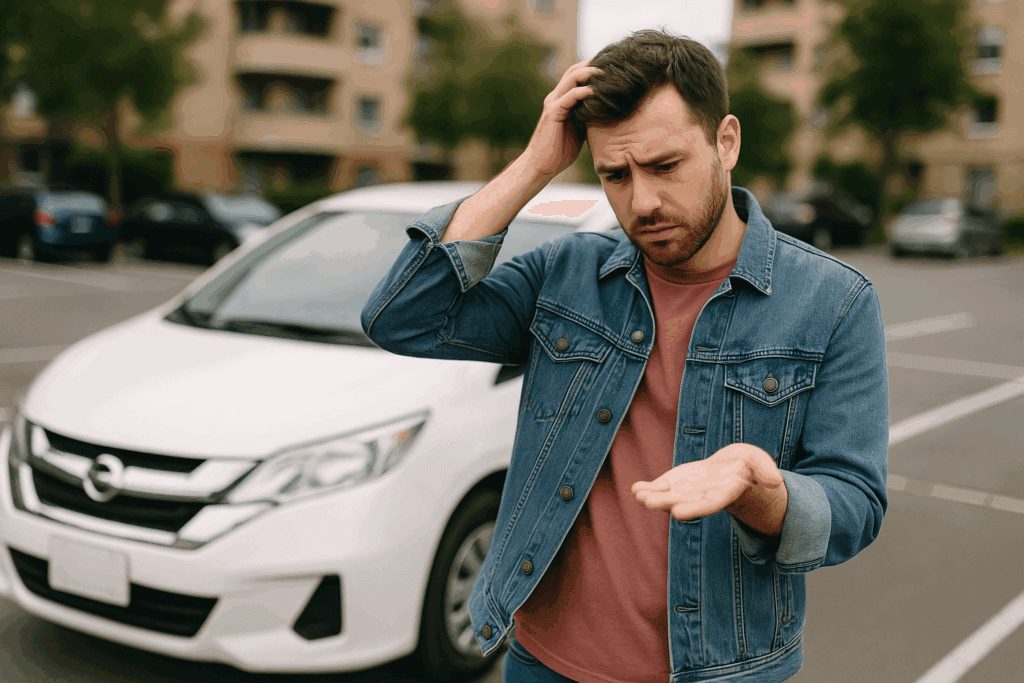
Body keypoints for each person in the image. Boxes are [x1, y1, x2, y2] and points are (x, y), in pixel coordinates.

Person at [362, 30, 888, 683]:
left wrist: (762, 493)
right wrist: (534, 165)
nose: (641, 202)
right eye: (615, 174)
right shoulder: (566, 273)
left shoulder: (834, 301)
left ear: (726, 141)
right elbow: (403, 315)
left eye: (665, 165)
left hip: (721, 670)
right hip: (542, 663)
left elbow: (856, 500)